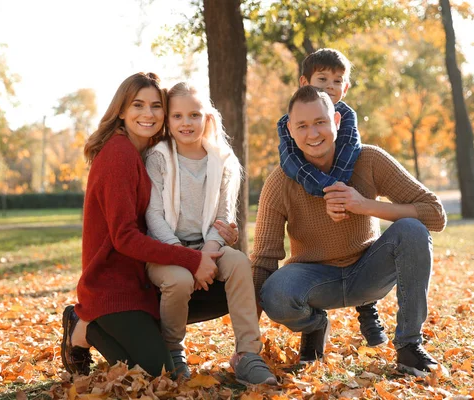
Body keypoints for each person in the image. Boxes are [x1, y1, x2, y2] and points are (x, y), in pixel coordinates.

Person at [252, 85, 447, 377]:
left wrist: (363, 204)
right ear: (290, 130)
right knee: (274, 292)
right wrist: (246, 343)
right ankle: (316, 326)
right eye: (302, 126)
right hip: (315, 280)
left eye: (320, 122)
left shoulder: (368, 159)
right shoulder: (279, 181)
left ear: (337, 121)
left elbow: (435, 214)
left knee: (412, 230)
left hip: (369, 271)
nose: (313, 134)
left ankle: (408, 347)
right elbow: (264, 259)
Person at [60, 72, 237, 379]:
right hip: (112, 286)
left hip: (144, 280)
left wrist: (222, 233)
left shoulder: (150, 153)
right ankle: (82, 328)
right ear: (122, 110)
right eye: (138, 105)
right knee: (157, 373)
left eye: (156, 106)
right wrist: (193, 259)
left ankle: (142, 330)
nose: (148, 113)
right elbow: (124, 237)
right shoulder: (118, 153)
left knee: (224, 289)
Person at [143, 82, 277, 385]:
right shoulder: (159, 157)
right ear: (168, 120)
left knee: (240, 263)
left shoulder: (224, 161)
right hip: (167, 249)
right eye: (177, 116)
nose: (186, 123)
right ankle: (173, 349)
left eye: (194, 115)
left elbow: (224, 216)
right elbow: (153, 214)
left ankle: (247, 354)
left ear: (208, 118)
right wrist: (186, 258)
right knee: (179, 279)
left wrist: (206, 253)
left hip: (208, 246)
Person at [275, 48, 387, 348]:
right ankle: (314, 321)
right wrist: (325, 190)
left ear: (345, 88)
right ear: (304, 83)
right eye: (322, 79)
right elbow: (292, 163)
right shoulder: (289, 122)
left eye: (338, 81)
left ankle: (368, 309)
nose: (330, 86)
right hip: (316, 234)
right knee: (316, 266)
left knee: (359, 256)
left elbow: (348, 155)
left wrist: (336, 192)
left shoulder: (347, 118)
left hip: (354, 223)